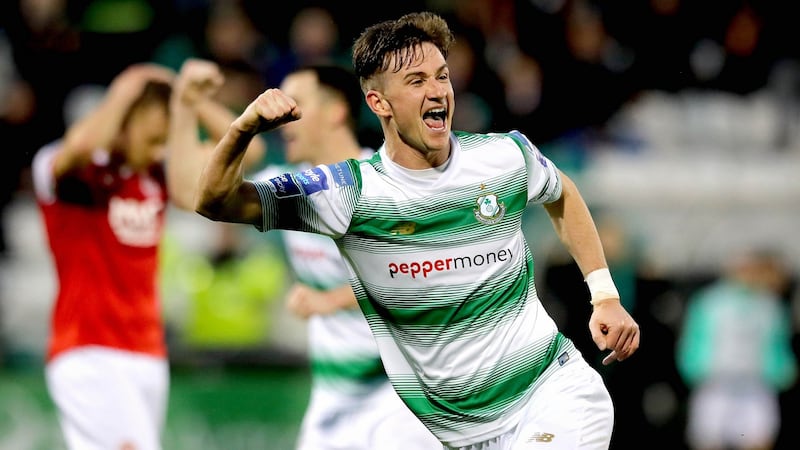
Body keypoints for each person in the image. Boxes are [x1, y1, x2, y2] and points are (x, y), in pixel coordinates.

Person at [194, 11, 640, 450]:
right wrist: (243, 129)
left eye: (441, 76)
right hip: (460, 437)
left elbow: (561, 192)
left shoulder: (503, 155)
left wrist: (604, 294)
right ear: (379, 103)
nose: (438, 91)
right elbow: (215, 201)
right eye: (416, 81)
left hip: (553, 396)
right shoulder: (349, 192)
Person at [30, 58, 263, 450]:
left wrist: (187, 97)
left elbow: (246, 155)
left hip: (146, 351)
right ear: (123, 122)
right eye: (154, 140)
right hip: (89, 351)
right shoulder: (71, 173)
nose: (160, 152)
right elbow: (85, 144)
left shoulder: (157, 177)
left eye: (165, 142)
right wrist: (129, 86)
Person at [255, 64, 439, 450]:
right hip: (333, 400)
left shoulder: (385, 182)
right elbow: (198, 195)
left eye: (296, 103)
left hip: (400, 393)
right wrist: (191, 106)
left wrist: (328, 300)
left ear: (336, 110)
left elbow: (411, 276)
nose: (282, 115)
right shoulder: (289, 190)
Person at [676, 247, 798, 450]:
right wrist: (693, 368)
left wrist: (782, 371)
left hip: (756, 385)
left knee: (758, 437)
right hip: (715, 383)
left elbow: (778, 345)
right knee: (708, 439)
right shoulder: (709, 302)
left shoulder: (769, 305)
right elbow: (693, 340)